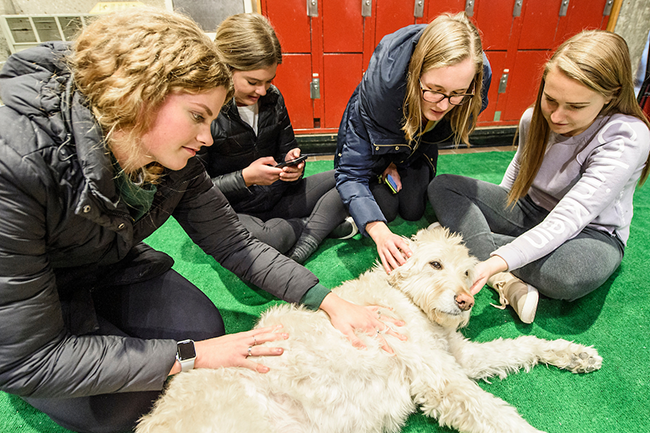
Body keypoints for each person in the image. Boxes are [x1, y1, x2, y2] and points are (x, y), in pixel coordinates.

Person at [0, 8, 403, 433]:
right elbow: (27, 360)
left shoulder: (175, 160)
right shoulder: (15, 168)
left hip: (103, 263)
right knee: (125, 404)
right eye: (197, 116)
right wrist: (189, 357)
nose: (208, 138)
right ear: (137, 95)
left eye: (212, 120)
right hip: (36, 300)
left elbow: (233, 242)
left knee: (202, 327)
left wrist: (328, 300)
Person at [428, 30, 650, 324]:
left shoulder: (626, 136)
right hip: (530, 211)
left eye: (575, 106)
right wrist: (495, 215)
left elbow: (572, 216)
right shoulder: (534, 118)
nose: (556, 116)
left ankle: (475, 249)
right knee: (444, 186)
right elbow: (516, 175)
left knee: (566, 277)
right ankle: (504, 280)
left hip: (591, 234)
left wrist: (495, 255)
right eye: (550, 99)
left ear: (609, 96)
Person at [334, 12, 492, 274]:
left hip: (414, 147)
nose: (443, 105)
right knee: (384, 210)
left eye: (456, 94)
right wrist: (379, 231)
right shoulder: (380, 94)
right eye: (434, 89)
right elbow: (350, 173)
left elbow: (435, 130)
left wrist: (401, 158)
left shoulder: (475, 84)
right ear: (414, 73)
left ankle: (394, 168)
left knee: (413, 209)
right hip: (378, 145)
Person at [200, 13, 356, 264]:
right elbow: (197, 191)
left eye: (268, 81)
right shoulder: (205, 109)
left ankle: (304, 227)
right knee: (268, 239)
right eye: (252, 82)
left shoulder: (273, 97)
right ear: (225, 67)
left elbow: (288, 148)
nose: (262, 91)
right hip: (236, 211)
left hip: (278, 196)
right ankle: (315, 226)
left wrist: (294, 165)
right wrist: (246, 178)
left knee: (348, 176)